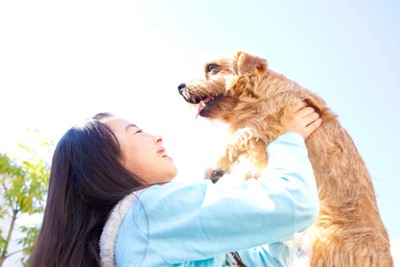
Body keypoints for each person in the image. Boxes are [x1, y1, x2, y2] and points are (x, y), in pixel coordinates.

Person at [29, 103, 322, 267]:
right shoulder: (146, 213)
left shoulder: (133, 234)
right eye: (137, 131)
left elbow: (267, 262)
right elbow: (294, 204)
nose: (157, 136)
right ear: (106, 164)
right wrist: (287, 139)